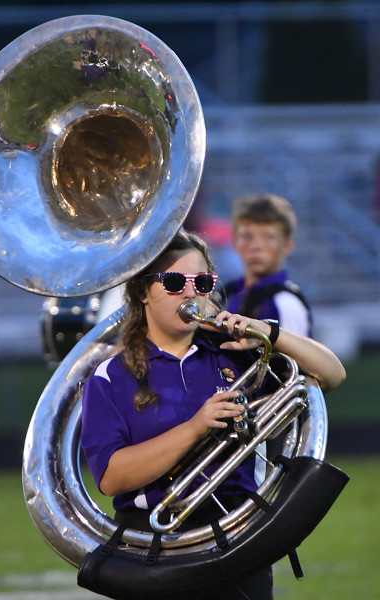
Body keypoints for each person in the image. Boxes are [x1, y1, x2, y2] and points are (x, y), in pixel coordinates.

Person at [81, 229, 346, 600]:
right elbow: (111, 477)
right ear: (142, 292)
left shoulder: (235, 355)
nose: (191, 293)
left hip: (240, 539)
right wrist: (195, 428)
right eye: (174, 282)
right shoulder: (110, 375)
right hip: (153, 548)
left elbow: (333, 373)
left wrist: (268, 332)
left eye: (202, 282)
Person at [225, 193, 312, 337]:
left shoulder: (286, 304)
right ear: (234, 242)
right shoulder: (229, 295)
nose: (256, 246)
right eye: (247, 236)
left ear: (287, 245)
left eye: (268, 237)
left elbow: (297, 352)